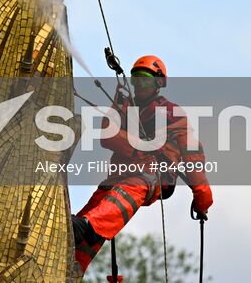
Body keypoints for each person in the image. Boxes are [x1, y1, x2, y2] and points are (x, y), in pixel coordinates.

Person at [71, 55, 214, 276]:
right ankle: (71, 264)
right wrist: (119, 103)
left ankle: (87, 226)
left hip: (154, 177)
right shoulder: (126, 107)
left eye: (145, 80)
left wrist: (202, 198)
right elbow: (107, 135)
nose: (139, 85)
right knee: (96, 209)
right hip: (120, 178)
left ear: (158, 83)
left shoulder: (172, 114)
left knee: (122, 197)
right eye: (136, 80)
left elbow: (192, 156)